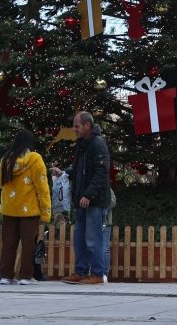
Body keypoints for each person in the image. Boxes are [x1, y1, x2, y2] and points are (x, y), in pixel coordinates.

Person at [0, 129, 51, 285]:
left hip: (9, 209)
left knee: (8, 244)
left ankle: (6, 276)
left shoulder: (6, 159)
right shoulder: (35, 159)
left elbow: (0, 182)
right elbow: (42, 188)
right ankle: (26, 276)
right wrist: (45, 212)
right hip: (29, 210)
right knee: (28, 245)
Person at [61, 112, 109, 285]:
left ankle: (97, 273)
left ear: (87, 126)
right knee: (80, 238)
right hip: (81, 200)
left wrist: (89, 194)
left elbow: (101, 173)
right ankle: (80, 271)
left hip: (94, 201)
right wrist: (65, 173)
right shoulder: (82, 144)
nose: (74, 129)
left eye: (77, 126)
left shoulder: (97, 144)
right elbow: (80, 170)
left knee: (93, 238)